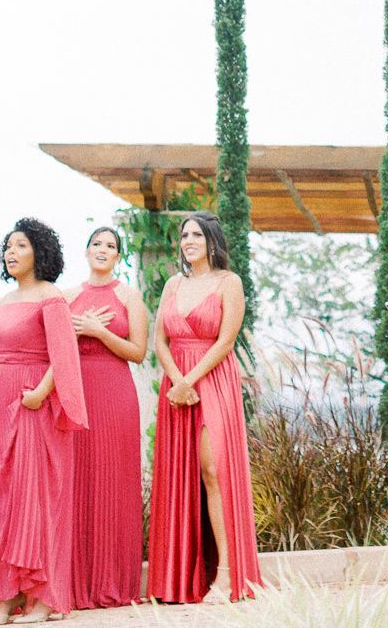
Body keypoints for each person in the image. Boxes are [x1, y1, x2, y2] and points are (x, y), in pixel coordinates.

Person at [0, 218, 87, 624]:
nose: (11, 253)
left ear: (40, 252)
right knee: (2, 499)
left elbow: (62, 354)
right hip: (3, 405)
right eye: (8, 246)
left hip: (35, 407)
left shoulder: (51, 297)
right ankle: (7, 596)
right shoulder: (8, 299)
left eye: (21, 246)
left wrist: (42, 393)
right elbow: (6, 356)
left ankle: (44, 599)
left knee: (36, 498)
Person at [147, 212, 262, 604]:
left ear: (212, 241)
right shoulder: (173, 284)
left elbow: (226, 341)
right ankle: (178, 579)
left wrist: (190, 380)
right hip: (176, 385)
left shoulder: (229, 282)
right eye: (184, 235)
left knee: (214, 473)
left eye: (196, 234)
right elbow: (159, 340)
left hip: (212, 382)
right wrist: (176, 380)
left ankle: (226, 575)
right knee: (179, 477)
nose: (189, 241)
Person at [67, 225, 149, 608]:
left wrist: (99, 332)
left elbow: (138, 352)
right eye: (96, 243)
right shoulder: (67, 296)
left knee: (113, 482)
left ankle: (113, 581)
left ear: (118, 256)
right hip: (76, 394)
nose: (103, 249)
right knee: (77, 481)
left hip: (115, 394)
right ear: (86, 252)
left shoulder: (130, 296)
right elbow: (52, 346)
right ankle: (74, 582)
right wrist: (75, 332)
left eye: (111, 245)